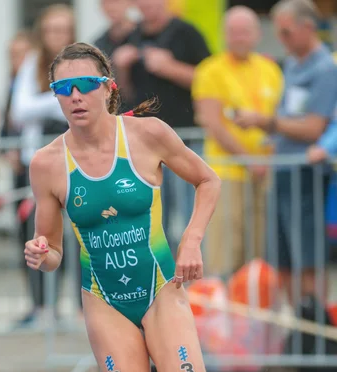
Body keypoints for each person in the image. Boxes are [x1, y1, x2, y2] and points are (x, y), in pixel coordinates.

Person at [24, 42, 223, 372]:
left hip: (161, 291)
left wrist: (191, 240)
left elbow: (209, 180)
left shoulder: (147, 135)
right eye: (62, 90)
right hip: (104, 303)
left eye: (84, 85)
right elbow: (52, 247)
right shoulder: (47, 163)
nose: (75, 98)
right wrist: (42, 255)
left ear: (109, 86)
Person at [234, 0, 337, 303]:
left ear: (308, 27)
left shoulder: (324, 68)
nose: (281, 39)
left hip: (306, 176)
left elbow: (314, 128)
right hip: (283, 172)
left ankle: (314, 328)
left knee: (308, 259)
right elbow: (289, 119)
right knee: (284, 260)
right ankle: (297, 330)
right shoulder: (292, 64)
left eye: (287, 32)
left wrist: (266, 122)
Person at [112, 0, 211, 251]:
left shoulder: (187, 33)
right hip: (145, 145)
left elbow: (210, 81)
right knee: (153, 214)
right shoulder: (131, 37)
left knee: (191, 211)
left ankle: (198, 277)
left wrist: (170, 68)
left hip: (184, 141)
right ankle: (161, 275)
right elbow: (125, 95)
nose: (148, 5)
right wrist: (121, 70)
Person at [192, 6, 283, 278]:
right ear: (223, 35)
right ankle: (224, 316)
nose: (239, 37)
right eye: (232, 31)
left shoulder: (270, 69)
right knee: (226, 252)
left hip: (265, 174)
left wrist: (265, 161)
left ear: (257, 34)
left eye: (244, 31)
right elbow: (214, 123)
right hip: (226, 173)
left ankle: (254, 316)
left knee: (259, 254)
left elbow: (279, 117)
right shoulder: (210, 70)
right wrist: (249, 160)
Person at [10, 4, 75, 326]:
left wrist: (49, 103)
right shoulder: (34, 62)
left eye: (62, 30)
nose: (55, 37)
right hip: (37, 164)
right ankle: (40, 306)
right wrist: (58, 101)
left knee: (75, 239)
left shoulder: (79, 61)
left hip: (74, 163)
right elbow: (20, 109)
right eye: (50, 30)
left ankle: (75, 305)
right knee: (38, 236)